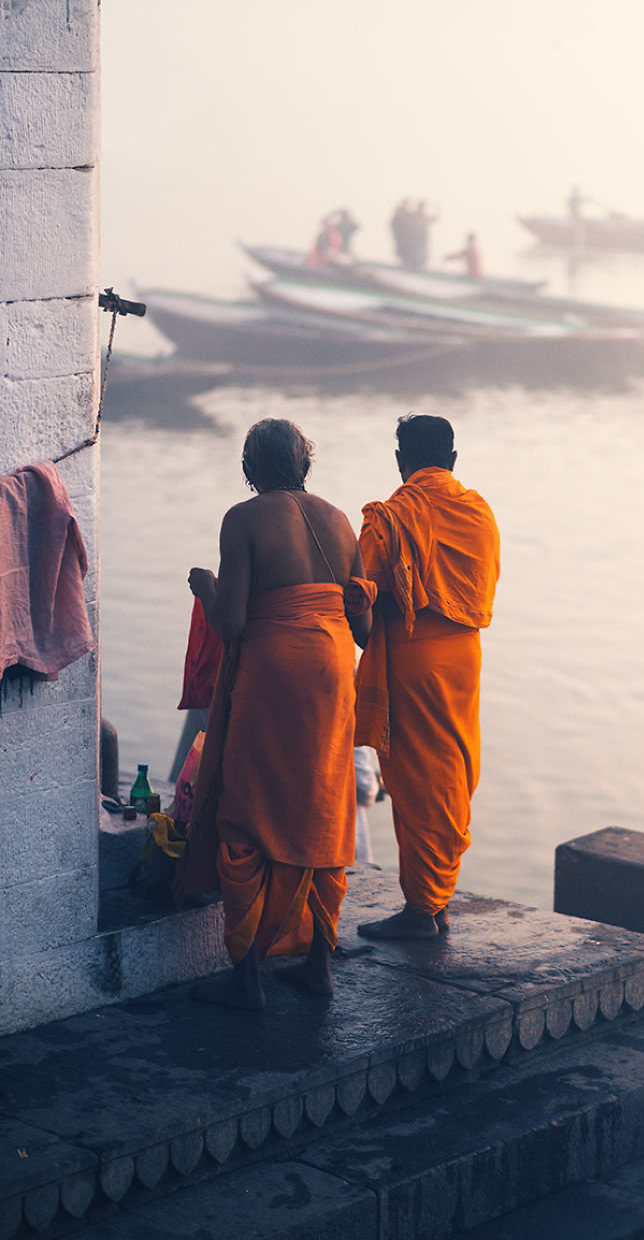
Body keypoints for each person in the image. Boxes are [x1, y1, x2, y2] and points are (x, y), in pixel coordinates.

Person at [175, 418, 375, 1008]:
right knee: (323, 804)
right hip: (334, 671)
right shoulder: (340, 520)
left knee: (249, 808)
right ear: (304, 464)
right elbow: (362, 626)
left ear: (249, 469)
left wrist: (205, 587)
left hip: (275, 672)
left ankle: (247, 978)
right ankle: (319, 966)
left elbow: (233, 621)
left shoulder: (243, 518)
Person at [354, 415, 501, 940]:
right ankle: (434, 899)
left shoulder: (390, 517)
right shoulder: (479, 513)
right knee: (453, 769)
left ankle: (421, 911)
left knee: (417, 779)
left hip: (414, 662)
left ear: (401, 462)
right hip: (464, 659)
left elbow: (362, 598)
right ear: (454, 460)